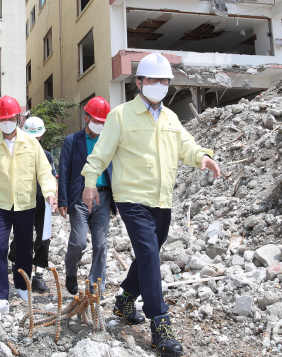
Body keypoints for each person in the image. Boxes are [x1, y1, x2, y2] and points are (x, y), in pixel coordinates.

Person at [81, 53, 221, 357]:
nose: (158, 85)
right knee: (148, 254)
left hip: (162, 199)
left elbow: (186, 146)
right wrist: (90, 182)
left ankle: (124, 300)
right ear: (139, 82)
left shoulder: (170, 118)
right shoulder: (120, 115)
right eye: (152, 79)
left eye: (164, 80)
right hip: (132, 198)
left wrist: (203, 157)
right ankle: (161, 325)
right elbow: (101, 153)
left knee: (149, 255)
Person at [0, 96, 57, 314]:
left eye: (10, 118)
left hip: (25, 205)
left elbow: (44, 172)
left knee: (23, 247)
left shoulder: (31, 144)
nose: (7, 122)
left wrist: (49, 193)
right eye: (2, 119)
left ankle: (22, 285)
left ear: (18, 118)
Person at [58, 96, 114, 296]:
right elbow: (64, 171)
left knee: (101, 244)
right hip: (80, 199)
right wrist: (63, 200)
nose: (100, 125)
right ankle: (71, 272)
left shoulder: (109, 141)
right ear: (86, 118)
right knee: (79, 241)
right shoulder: (72, 141)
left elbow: (116, 170)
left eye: (103, 122)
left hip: (104, 197)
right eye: (97, 121)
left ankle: (95, 286)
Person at [7, 117, 56, 293]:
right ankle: (15, 262)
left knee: (44, 240)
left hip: (42, 204)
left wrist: (54, 197)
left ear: (41, 138)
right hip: (24, 203)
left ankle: (38, 276)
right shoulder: (16, 154)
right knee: (22, 238)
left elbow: (51, 178)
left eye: (36, 138)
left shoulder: (47, 156)